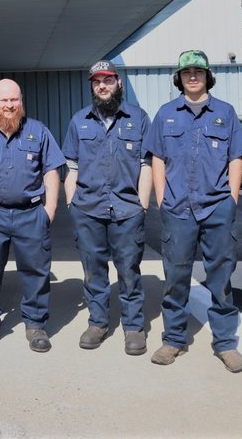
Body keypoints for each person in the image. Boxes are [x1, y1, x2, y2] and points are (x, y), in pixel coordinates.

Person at [146, 50, 242, 372]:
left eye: (199, 71)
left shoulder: (225, 112)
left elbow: (236, 157)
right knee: (175, 277)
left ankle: (225, 343)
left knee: (220, 278)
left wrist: (231, 199)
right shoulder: (166, 114)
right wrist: (162, 198)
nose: (193, 76)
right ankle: (173, 339)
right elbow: (157, 158)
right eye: (187, 72)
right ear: (179, 78)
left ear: (207, 76)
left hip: (217, 207)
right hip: (178, 209)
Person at [0, 79, 65, 353]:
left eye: (14, 100)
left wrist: (50, 209)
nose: (9, 105)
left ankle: (35, 324)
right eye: (4, 100)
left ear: (21, 100)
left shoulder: (38, 131)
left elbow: (52, 170)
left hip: (30, 214)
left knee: (36, 271)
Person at [62, 61, 151, 356]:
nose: (102, 86)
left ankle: (134, 326)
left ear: (118, 83)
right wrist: (71, 203)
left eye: (108, 80)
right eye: (97, 81)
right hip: (88, 209)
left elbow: (146, 165)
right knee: (93, 270)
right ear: (92, 86)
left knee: (129, 270)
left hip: (127, 210)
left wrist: (142, 205)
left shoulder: (138, 118)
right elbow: (71, 167)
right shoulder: (79, 121)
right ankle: (97, 322)